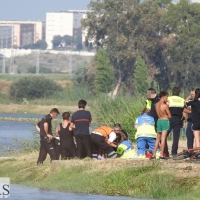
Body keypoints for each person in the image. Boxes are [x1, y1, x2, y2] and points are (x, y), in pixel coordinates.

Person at [151, 91, 171, 160]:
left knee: (157, 139)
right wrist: (168, 105)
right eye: (166, 97)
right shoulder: (165, 106)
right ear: (164, 96)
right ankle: (161, 154)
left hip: (158, 121)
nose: (167, 98)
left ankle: (153, 155)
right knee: (163, 138)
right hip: (165, 121)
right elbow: (169, 115)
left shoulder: (156, 104)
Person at [165, 87, 185, 157]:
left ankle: (165, 152)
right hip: (178, 119)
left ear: (172, 92)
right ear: (179, 92)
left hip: (169, 118)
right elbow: (183, 111)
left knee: (165, 135)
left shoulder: (169, 99)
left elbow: (165, 108)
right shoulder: (182, 100)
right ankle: (174, 152)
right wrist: (183, 120)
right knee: (176, 137)